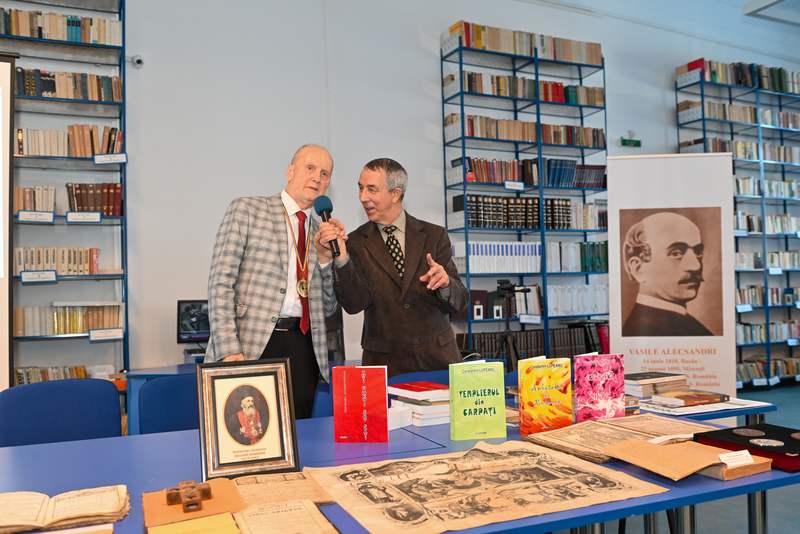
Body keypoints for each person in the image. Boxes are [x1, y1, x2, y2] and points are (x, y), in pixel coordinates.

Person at [206, 144, 340, 418]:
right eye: (310, 168)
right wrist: (229, 350)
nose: (317, 178)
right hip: (251, 345)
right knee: (249, 433)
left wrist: (326, 260)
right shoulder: (248, 210)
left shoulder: (321, 233)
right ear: (290, 171)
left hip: (304, 349)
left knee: (298, 435)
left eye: (325, 173)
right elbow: (220, 284)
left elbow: (328, 308)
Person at [315, 158, 467, 376]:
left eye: (371, 189)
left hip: (437, 360)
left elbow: (460, 301)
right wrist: (342, 259)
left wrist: (445, 284)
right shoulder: (355, 242)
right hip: (384, 365)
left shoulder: (434, 235)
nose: (363, 197)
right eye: (360, 188)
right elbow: (354, 304)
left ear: (395, 194)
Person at [621, 211, 712, 336]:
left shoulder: (685, 324)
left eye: (698, 253)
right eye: (676, 253)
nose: (696, 266)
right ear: (639, 269)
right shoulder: (642, 330)